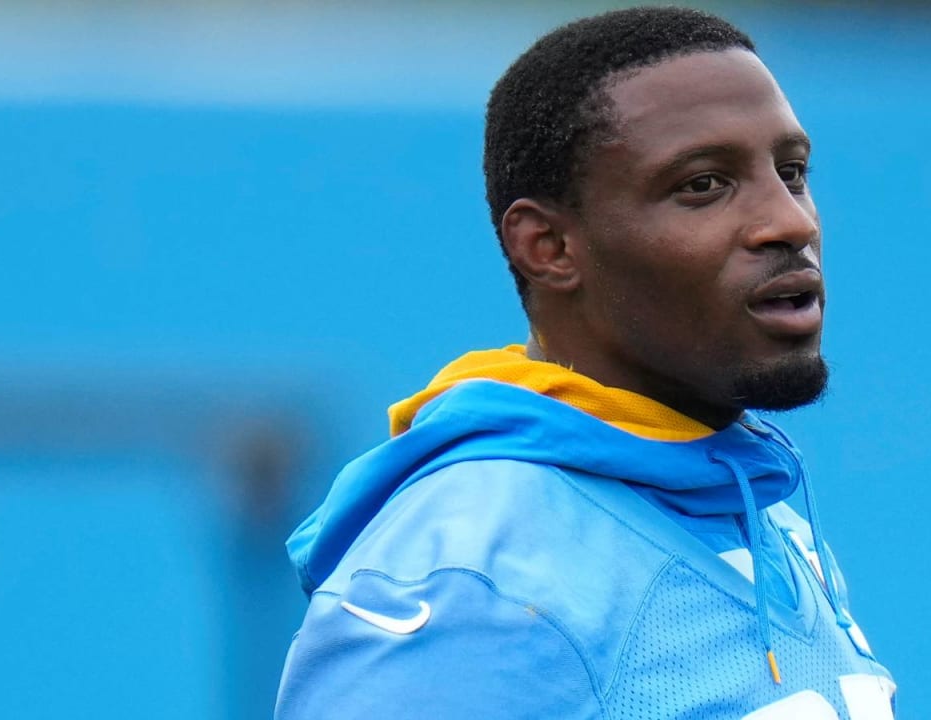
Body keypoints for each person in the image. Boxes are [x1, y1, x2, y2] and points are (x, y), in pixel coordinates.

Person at [274, 6, 896, 719]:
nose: (791, 220)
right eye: (703, 184)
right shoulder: (472, 581)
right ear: (548, 247)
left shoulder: (765, 520)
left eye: (791, 172)